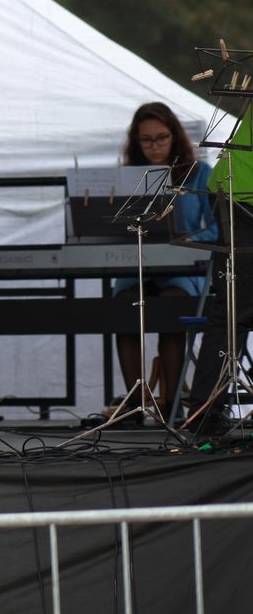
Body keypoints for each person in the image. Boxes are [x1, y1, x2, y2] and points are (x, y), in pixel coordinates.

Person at [111, 103, 216, 414]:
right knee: (123, 307)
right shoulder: (126, 176)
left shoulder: (199, 173)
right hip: (137, 266)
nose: (154, 146)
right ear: (135, 141)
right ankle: (133, 405)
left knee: (172, 308)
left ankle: (172, 405)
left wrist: (191, 240)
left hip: (182, 267)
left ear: (174, 136)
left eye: (161, 138)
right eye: (145, 139)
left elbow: (218, 226)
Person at [186, 109, 252, 439]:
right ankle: (205, 413)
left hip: (236, 188)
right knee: (234, 312)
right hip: (243, 193)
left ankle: (205, 413)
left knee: (232, 312)